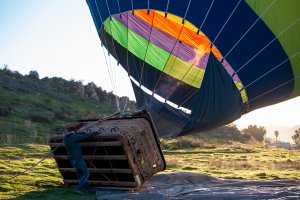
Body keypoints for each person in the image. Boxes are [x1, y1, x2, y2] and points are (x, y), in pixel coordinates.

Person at [63, 130, 97, 195]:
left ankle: (89, 189)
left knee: (81, 174)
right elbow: (84, 137)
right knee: (86, 174)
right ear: (72, 132)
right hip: (78, 159)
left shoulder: (65, 138)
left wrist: (80, 133)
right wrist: (94, 133)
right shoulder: (74, 137)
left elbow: (77, 135)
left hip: (72, 160)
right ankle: (78, 189)